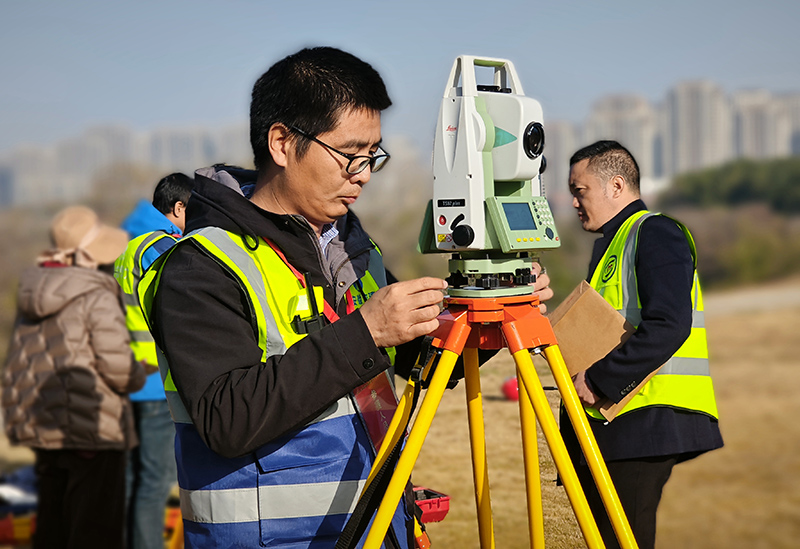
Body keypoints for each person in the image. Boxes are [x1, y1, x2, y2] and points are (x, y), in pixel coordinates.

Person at [138, 46, 550, 548]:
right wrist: (366, 331)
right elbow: (227, 418)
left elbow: (419, 362)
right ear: (283, 143)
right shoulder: (202, 265)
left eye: (373, 154)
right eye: (350, 154)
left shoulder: (352, 248)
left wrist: (485, 312)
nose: (364, 173)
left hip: (375, 528)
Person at [561, 140, 723, 549]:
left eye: (580, 192)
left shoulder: (655, 232)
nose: (574, 204)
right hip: (619, 421)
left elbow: (669, 324)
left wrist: (597, 380)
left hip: (645, 419)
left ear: (616, 185)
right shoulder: (611, 244)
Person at [1, 205, 146, 549]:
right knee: (96, 529)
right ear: (88, 254)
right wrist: (139, 373)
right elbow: (119, 369)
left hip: (43, 427)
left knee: (53, 523)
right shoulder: (96, 295)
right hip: (90, 430)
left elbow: (22, 361)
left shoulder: (33, 291)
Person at [114, 172, 194, 549]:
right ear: (178, 208)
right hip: (153, 384)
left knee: (132, 479)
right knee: (152, 483)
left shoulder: (128, 243)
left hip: (125, 379)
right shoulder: (161, 248)